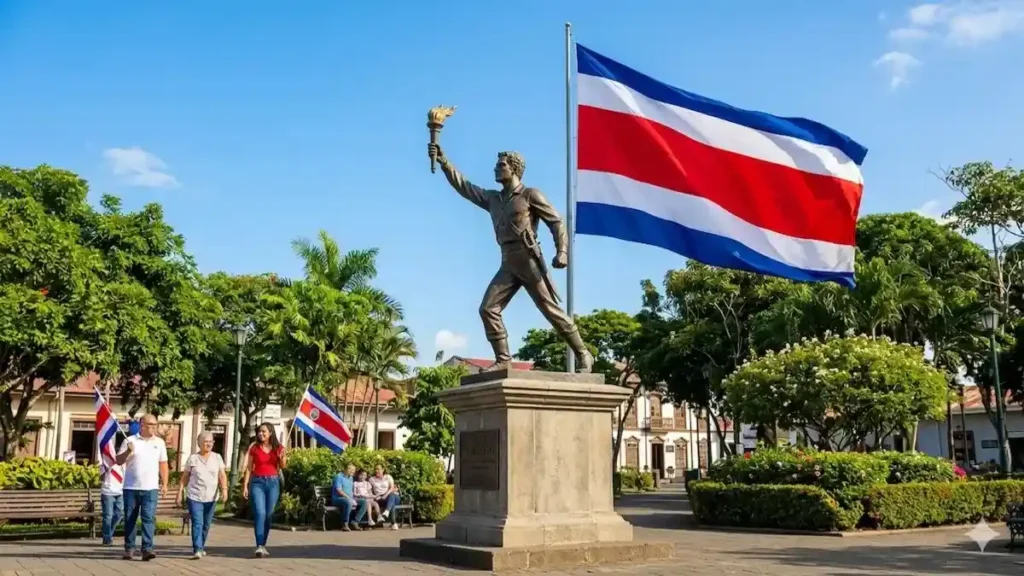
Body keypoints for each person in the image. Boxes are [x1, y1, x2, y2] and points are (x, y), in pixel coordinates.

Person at [428, 142, 594, 373]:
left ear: (514, 169)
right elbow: (464, 186)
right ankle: (504, 359)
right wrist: (444, 162)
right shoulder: (492, 199)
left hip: (529, 260)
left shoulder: (530, 195)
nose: (496, 169)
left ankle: (583, 353)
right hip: (508, 262)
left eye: (501, 165)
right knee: (488, 309)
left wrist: (562, 251)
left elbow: (556, 223)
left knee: (550, 310)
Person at [115, 414, 168, 561]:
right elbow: (118, 461)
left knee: (148, 518)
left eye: (156, 425)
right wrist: (127, 451)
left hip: (150, 488)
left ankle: (147, 548)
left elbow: (163, 464)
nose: (154, 428)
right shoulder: (130, 440)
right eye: (151, 424)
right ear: (142, 425)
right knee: (130, 518)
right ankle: (129, 548)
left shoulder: (159, 442)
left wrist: (164, 484)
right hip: (131, 487)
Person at [179, 431, 228, 559]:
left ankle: (201, 545)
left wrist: (224, 490)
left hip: (211, 497)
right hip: (195, 495)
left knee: (206, 524)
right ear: (199, 443)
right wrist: (179, 492)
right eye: (205, 441)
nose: (208, 444)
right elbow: (185, 477)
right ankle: (198, 549)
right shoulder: (193, 458)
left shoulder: (217, 457)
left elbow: (222, 475)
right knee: (197, 522)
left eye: (211, 441)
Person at [241, 422, 287, 558]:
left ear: (270, 433)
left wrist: (282, 457)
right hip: (257, 482)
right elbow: (249, 468)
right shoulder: (254, 448)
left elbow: (283, 466)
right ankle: (259, 545)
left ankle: (263, 544)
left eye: (264, 431)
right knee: (260, 513)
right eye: (259, 432)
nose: (261, 434)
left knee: (268, 514)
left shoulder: (278, 447)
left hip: (273, 482)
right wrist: (245, 486)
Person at [331, 463, 368, 531]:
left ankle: (355, 522)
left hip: (350, 498)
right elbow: (339, 490)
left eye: (353, 469)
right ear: (345, 469)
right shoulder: (338, 477)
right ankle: (345, 524)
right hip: (338, 499)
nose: (352, 471)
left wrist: (355, 497)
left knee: (364, 502)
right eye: (350, 469)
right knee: (349, 502)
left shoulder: (350, 478)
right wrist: (350, 498)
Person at [99, 450, 125, 546]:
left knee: (118, 515)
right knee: (108, 516)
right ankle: (107, 538)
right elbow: (101, 478)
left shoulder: (122, 465)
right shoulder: (105, 464)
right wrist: (106, 470)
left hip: (119, 492)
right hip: (108, 492)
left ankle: (108, 533)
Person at [369, 464, 401, 530]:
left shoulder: (388, 477)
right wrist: (375, 497)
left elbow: (392, 488)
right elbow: (370, 491)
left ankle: (387, 511)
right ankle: (393, 523)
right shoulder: (372, 479)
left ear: (383, 470)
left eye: (379, 469)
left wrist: (385, 495)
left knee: (391, 496)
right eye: (376, 469)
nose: (377, 471)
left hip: (389, 495)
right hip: (379, 498)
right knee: (391, 503)